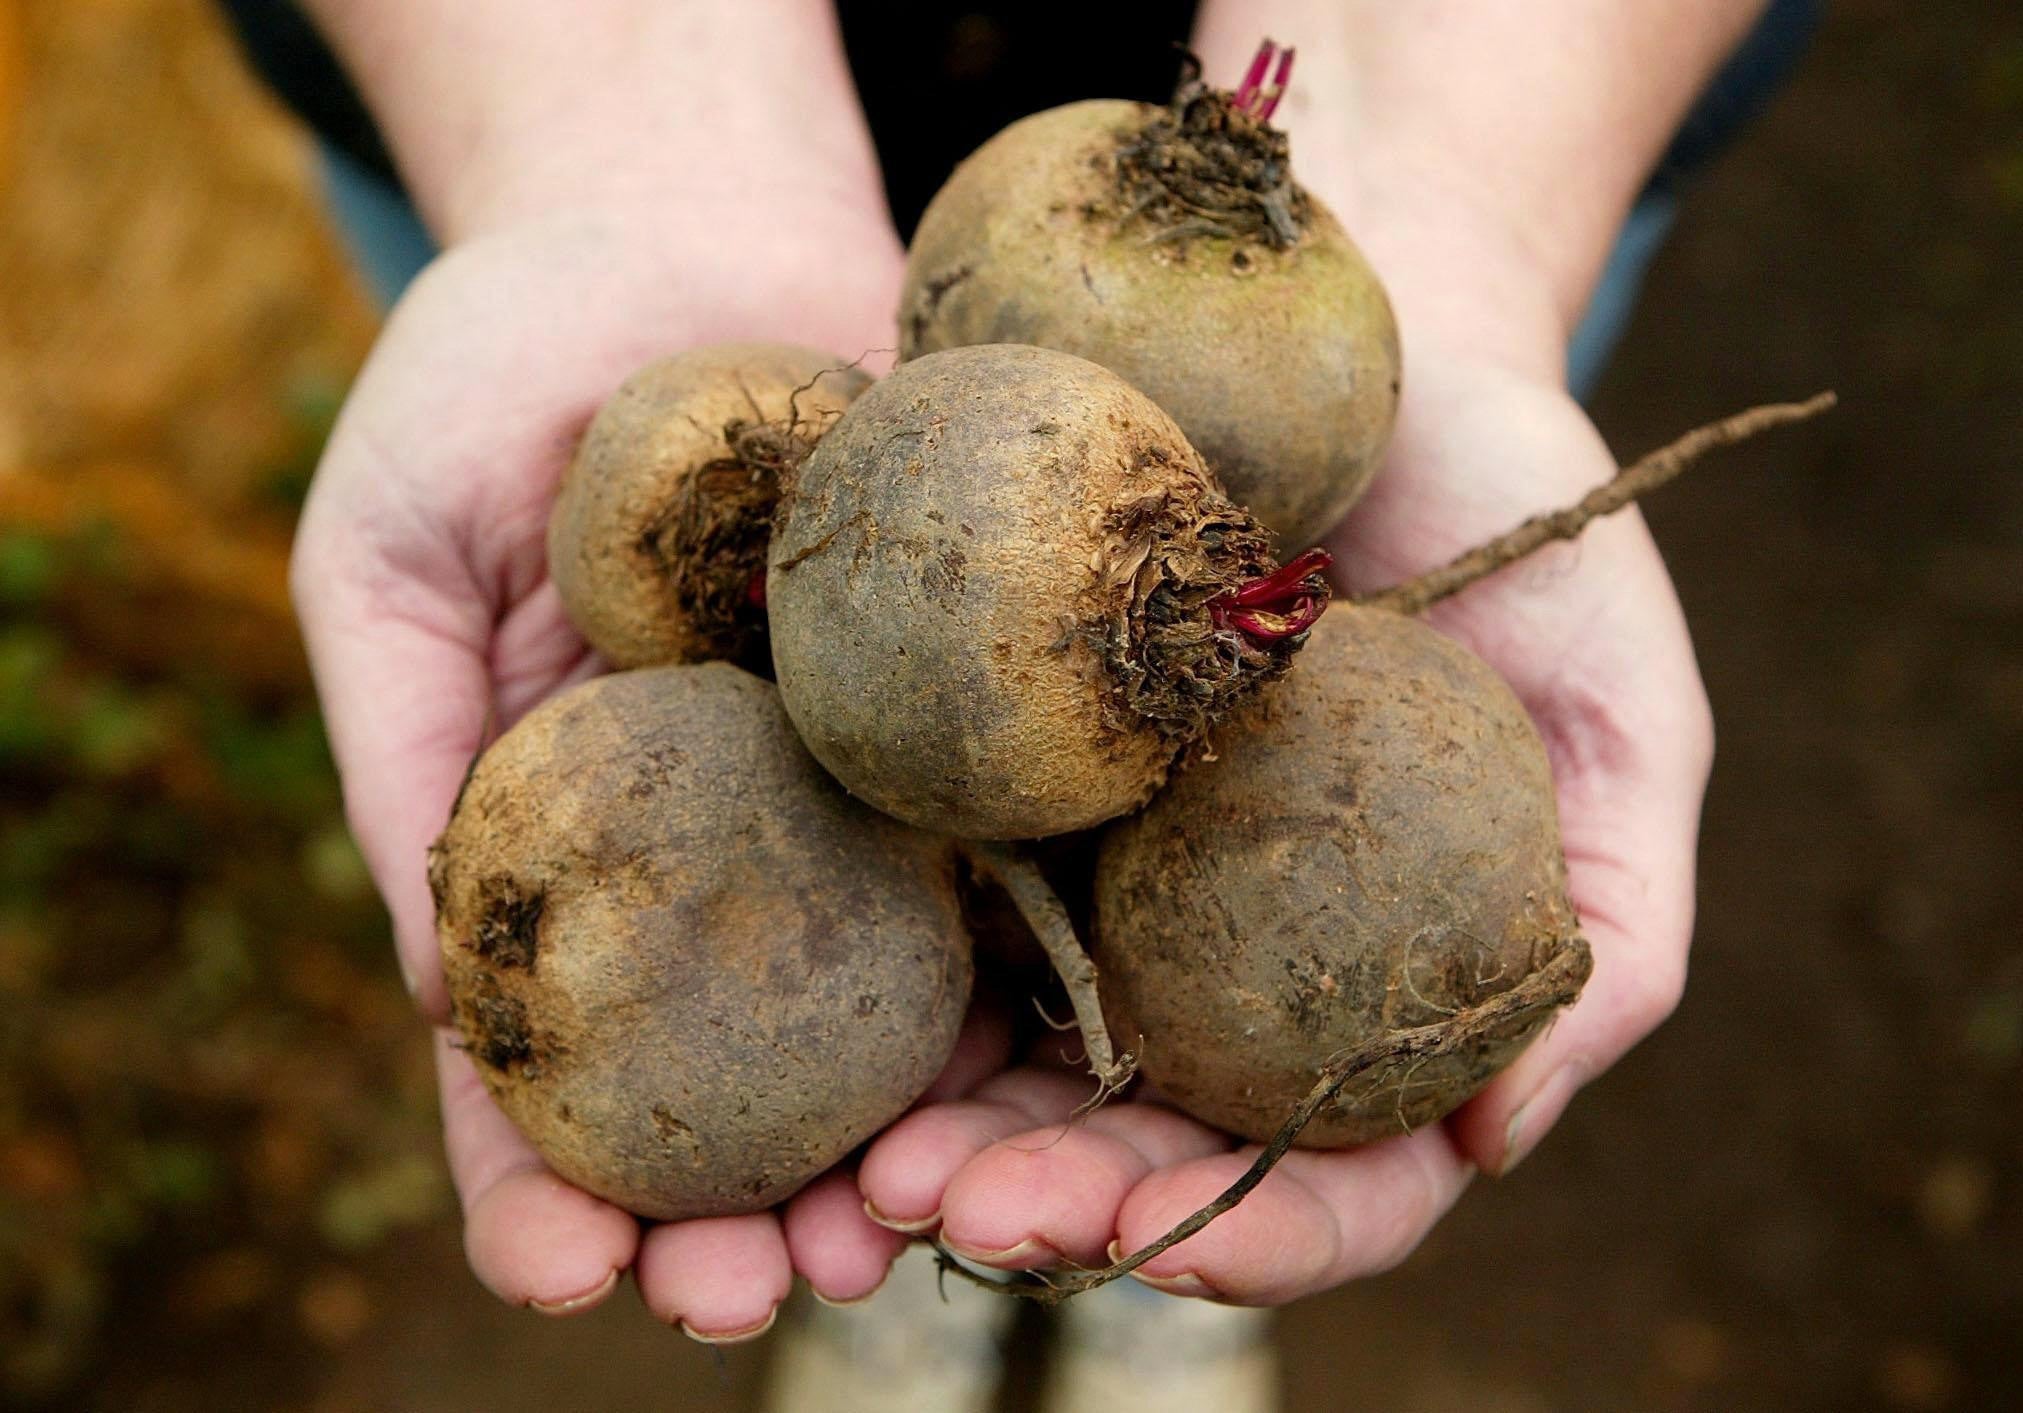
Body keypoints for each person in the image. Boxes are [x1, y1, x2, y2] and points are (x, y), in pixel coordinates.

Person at [251, 0, 1811, 1355]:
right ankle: (996, 1282)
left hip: (1499, 95)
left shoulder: (1214, 449)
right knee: (971, 1173)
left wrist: (1449, 195)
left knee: (1114, 1185)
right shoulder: (925, 508)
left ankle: (1131, 1284)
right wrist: (592, 140)